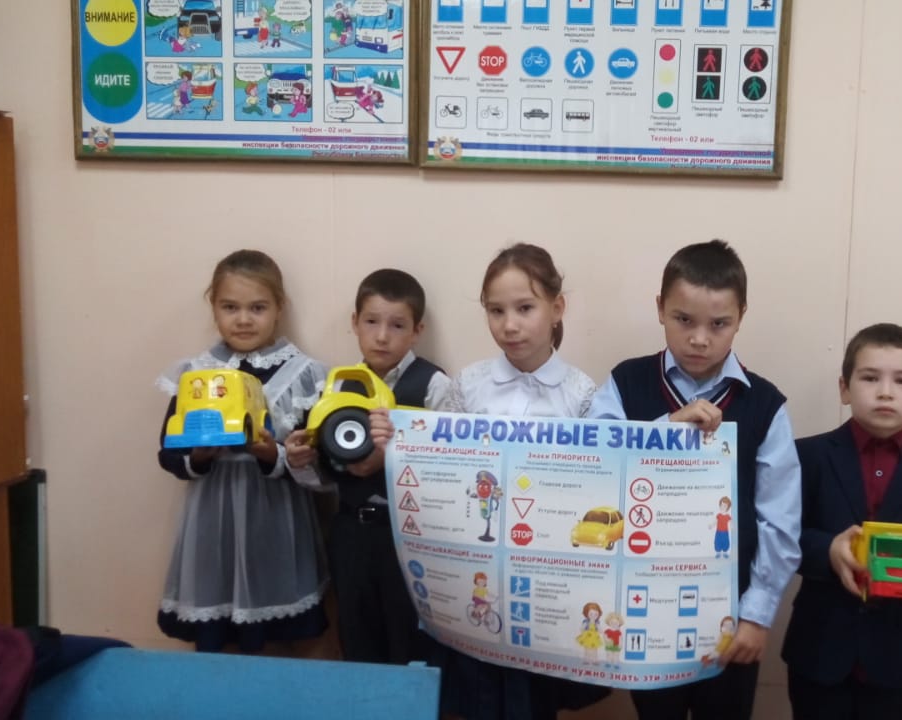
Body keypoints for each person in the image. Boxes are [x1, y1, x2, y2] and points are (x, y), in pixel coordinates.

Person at [374, 243, 609, 719]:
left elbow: (596, 482)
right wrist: (396, 444)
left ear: (557, 308)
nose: (510, 325)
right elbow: (436, 467)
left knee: (533, 700)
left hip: (544, 584)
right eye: (496, 311)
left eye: (525, 308)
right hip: (474, 576)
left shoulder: (583, 394)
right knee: (477, 694)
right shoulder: (468, 385)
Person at [587, 239, 802, 720]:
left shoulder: (765, 405)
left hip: (730, 616)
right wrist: (665, 432)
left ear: (741, 317)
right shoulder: (625, 383)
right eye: (684, 320)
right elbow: (596, 468)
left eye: (718, 324)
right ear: (660, 309)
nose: (700, 339)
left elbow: (780, 521)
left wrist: (758, 614)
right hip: (642, 606)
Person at [781, 323, 902, 720]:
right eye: (869, 378)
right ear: (844, 389)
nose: (885, 392)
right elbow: (782, 539)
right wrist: (828, 550)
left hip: (895, 655)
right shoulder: (808, 456)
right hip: (819, 649)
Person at [155, 249, 329, 653]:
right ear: (213, 307)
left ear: (279, 308)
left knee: (274, 640)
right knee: (214, 640)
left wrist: (273, 455)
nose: (244, 319)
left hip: (274, 516)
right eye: (230, 307)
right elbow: (168, 452)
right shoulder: (196, 374)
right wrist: (199, 457)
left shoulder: (304, 375)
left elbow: (316, 463)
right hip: (212, 518)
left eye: (258, 307)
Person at [286, 269, 451, 665]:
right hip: (351, 532)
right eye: (371, 322)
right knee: (358, 639)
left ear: (417, 330)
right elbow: (322, 478)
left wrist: (389, 458)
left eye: (397, 325)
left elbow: (449, 469)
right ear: (355, 323)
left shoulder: (434, 385)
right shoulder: (335, 388)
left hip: (412, 537)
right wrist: (299, 461)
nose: (382, 336)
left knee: (413, 643)